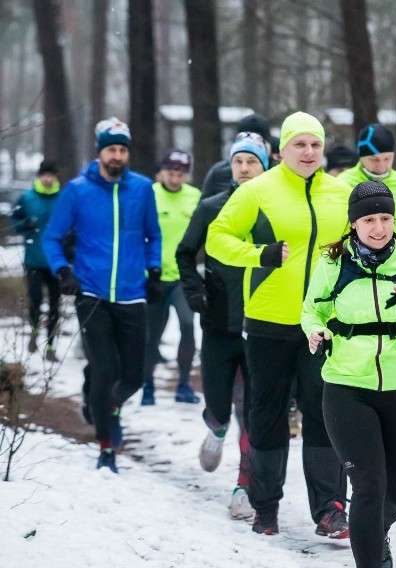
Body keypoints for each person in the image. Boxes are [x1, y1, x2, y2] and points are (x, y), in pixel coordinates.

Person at [205, 111, 351, 537]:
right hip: (268, 320)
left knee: (324, 415)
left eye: (315, 145)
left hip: (322, 323)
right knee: (267, 415)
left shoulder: (341, 192)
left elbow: (360, 244)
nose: (308, 152)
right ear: (281, 150)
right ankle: (265, 507)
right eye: (299, 145)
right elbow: (218, 238)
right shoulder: (258, 190)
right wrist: (259, 255)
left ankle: (329, 509)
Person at [302, 181, 396, 568]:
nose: (379, 228)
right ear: (353, 223)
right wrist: (314, 330)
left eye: (385, 218)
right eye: (369, 219)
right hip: (349, 388)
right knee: (368, 488)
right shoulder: (334, 262)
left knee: (395, 497)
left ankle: (376, 532)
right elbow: (311, 310)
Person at [42, 117, 162, 473]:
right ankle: (106, 446)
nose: (118, 155)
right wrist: (62, 270)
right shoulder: (78, 190)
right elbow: (52, 237)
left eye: (123, 150)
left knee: (135, 375)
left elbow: (153, 235)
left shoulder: (142, 189)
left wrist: (154, 270)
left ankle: (106, 409)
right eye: (112, 149)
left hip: (131, 294)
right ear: (100, 152)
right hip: (91, 293)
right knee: (105, 369)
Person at [176, 132, 269, 520]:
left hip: (262, 326)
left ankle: (243, 488)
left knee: (252, 410)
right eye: (238, 162)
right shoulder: (213, 205)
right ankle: (214, 429)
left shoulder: (276, 210)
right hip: (218, 324)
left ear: (266, 166)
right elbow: (184, 252)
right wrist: (196, 294)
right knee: (219, 405)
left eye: (253, 162)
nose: (245, 169)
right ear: (229, 166)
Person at [141, 149, 201, 405]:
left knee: (188, 326)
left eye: (180, 174)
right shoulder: (150, 195)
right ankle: (147, 386)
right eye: (171, 173)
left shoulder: (195, 197)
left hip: (182, 277)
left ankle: (184, 385)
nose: (175, 179)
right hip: (154, 276)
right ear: (162, 172)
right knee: (152, 334)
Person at [11, 160, 63, 362]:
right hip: (33, 259)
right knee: (35, 301)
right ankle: (33, 333)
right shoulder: (27, 198)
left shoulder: (63, 198)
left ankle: (51, 345)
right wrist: (26, 224)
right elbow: (14, 221)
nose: (48, 179)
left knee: (55, 305)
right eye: (45, 175)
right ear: (39, 176)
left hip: (56, 262)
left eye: (51, 175)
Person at [338, 123, 396, 239]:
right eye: (374, 160)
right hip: (357, 254)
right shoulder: (344, 182)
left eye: (387, 159)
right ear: (361, 156)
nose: (381, 166)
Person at [201, 113, 276, 198]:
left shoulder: (280, 170)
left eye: (260, 144)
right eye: (238, 161)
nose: (244, 169)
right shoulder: (219, 172)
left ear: (270, 144)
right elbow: (205, 206)